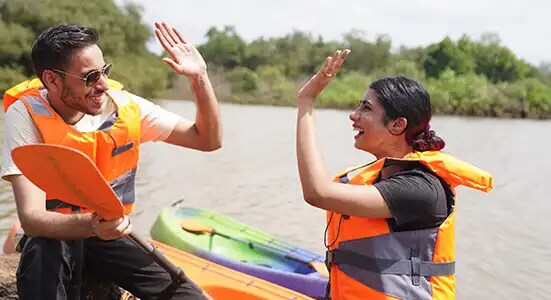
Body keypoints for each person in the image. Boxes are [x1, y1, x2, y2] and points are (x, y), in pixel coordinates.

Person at [1, 21, 222, 299]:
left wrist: (199, 78)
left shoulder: (124, 106)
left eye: (104, 71)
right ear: (53, 80)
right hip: (55, 235)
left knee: (187, 295)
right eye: (90, 76)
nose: (103, 85)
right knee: (43, 249)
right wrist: (91, 225)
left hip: (110, 237)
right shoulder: (25, 114)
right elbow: (32, 219)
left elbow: (207, 140)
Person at [295, 49, 493, 299]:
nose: (353, 116)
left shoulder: (420, 188)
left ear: (398, 125)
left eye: (366, 108)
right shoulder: (381, 175)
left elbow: (317, 193)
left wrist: (306, 102)